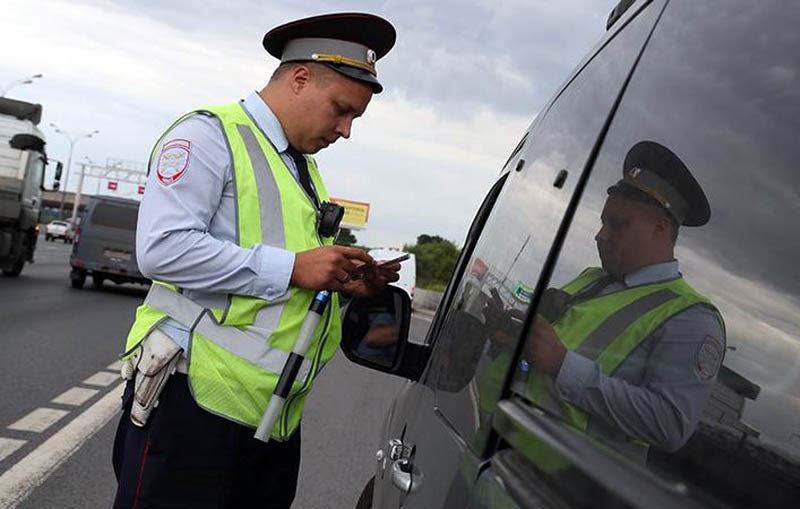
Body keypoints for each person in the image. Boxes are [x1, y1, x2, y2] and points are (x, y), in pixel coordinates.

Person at [112, 13, 399, 508]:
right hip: (193, 408)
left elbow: (290, 264)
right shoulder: (209, 136)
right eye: (341, 110)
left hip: (272, 418)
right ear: (300, 78)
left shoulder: (299, 165)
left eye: (355, 117)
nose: (346, 130)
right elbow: (162, 248)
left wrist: (340, 279)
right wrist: (294, 268)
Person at [524, 141, 726, 462]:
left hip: (561, 481)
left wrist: (562, 364)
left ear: (659, 228)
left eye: (617, 224)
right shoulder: (592, 277)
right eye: (603, 222)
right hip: (500, 450)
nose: (600, 235)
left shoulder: (692, 318)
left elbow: (669, 425)